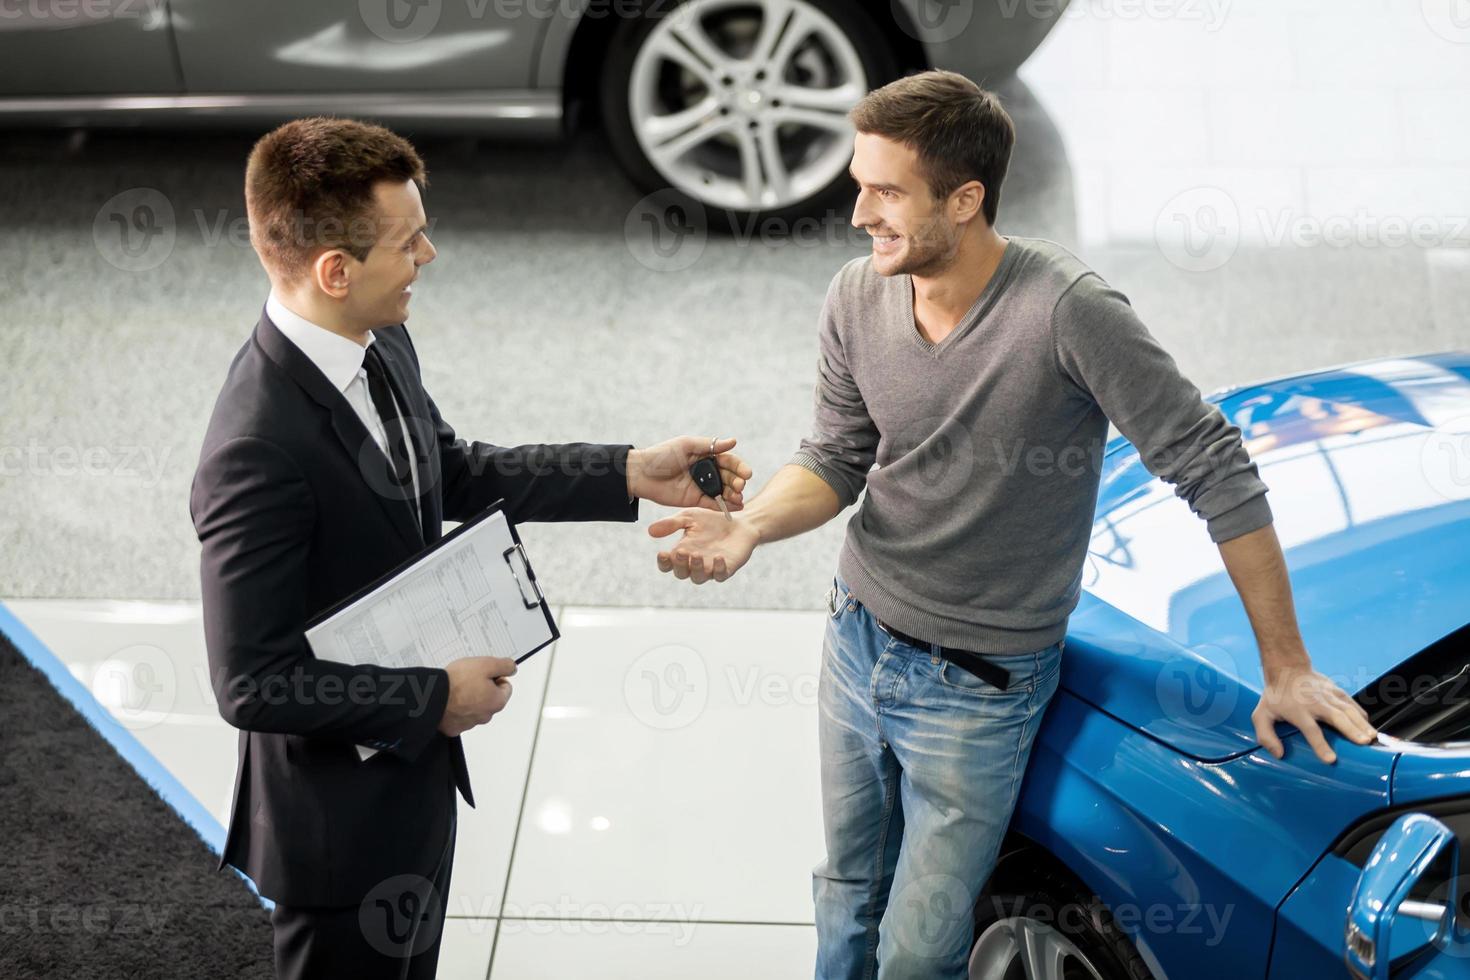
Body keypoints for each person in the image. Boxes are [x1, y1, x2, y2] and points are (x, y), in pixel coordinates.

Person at [647, 70, 1378, 980]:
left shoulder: (1069, 312)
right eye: (858, 184)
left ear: (966, 199)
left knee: (919, 950)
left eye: (885, 192)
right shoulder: (855, 293)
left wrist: (1287, 666)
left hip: (977, 684)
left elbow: (1213, 466)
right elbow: (838, 453)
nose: (857, 214)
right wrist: (751, 526)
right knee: (845, 896)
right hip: (856, 637)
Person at [189, 116, 752, 979]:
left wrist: (631, 472)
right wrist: (431, 698)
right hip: (338, 835)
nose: (430, 255)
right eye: (410, 241)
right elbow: (249, 682)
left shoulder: (375, 339)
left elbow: (449, 470)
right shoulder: (255, 451)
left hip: (410, 787)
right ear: (334, 272)